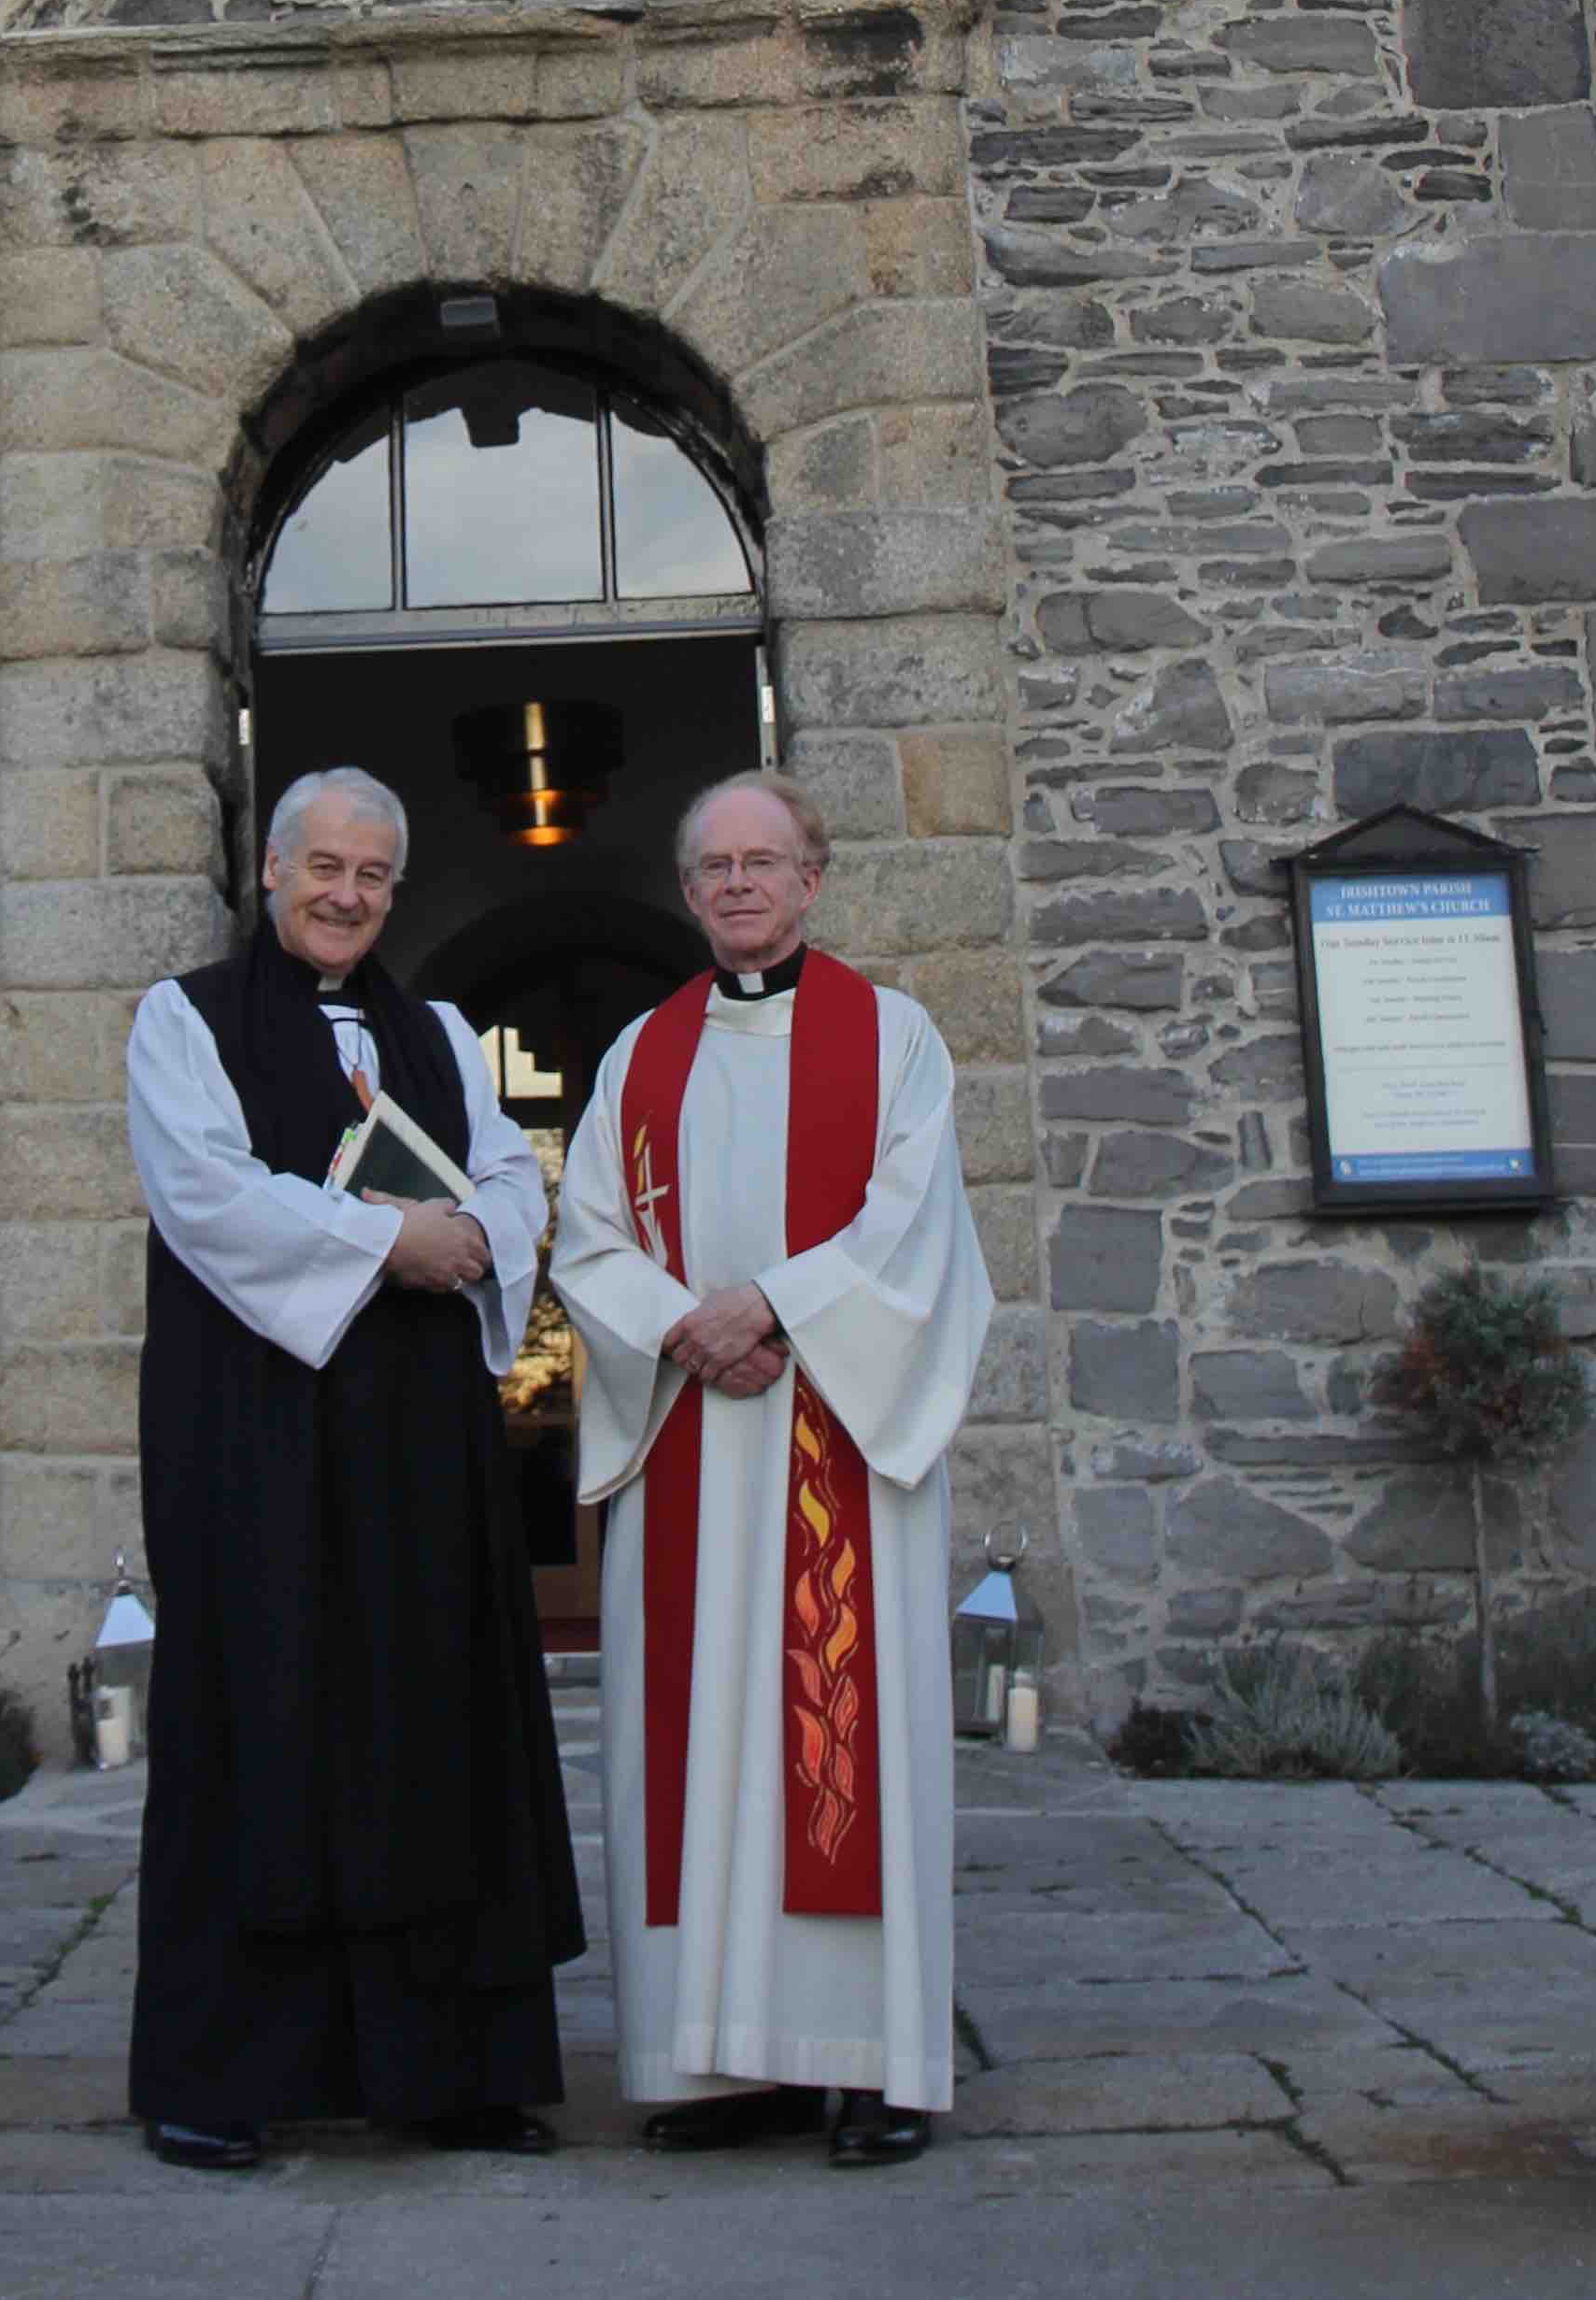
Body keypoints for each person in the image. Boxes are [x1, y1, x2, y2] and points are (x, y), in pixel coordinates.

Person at [123, 764, 585, 2173]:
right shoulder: (181, 1019)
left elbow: (511, 1176)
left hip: (418, 1442)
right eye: (324, 866)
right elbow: (202, 1190)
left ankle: (454, 2073)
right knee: (257, 1713)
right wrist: (396, 1242)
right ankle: (221, 2077)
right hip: (251, 1428)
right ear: (269, 872)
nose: (347, 894)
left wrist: (477, 1234)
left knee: (434, 1718)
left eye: (374, 874)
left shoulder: (438, 1026)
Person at [550, 771, 991, 2167]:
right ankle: (712, 2069)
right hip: (690, 1426)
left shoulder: (896, 1038)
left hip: (832, 1447)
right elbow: (585, 1236)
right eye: (713, 867)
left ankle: (871, 2066)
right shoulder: (642, 1055)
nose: (739, 885)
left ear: (815, 876)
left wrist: (775, 1306)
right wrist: (686, 1329)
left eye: (765, 860)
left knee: (836, 1748)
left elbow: (915, 1227)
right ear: (688, 894)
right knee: (695, 1752)